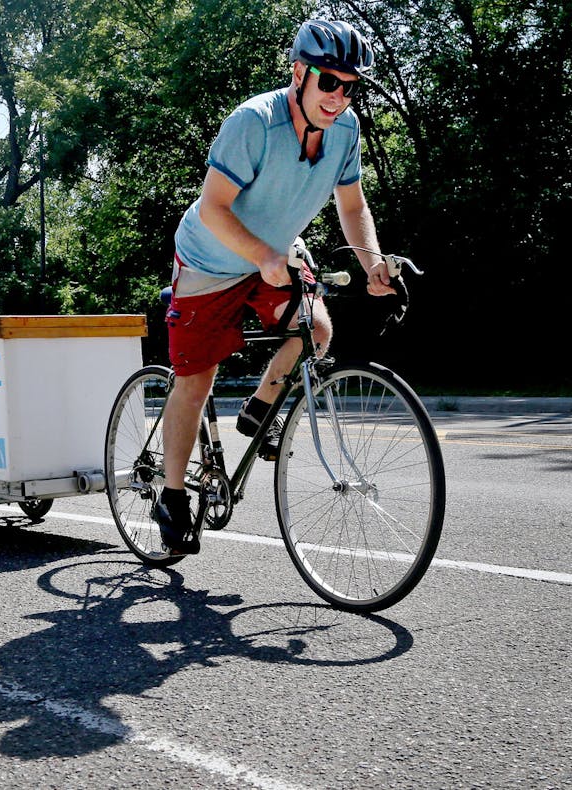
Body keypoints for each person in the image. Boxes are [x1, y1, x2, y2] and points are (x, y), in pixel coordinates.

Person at [154, 19, 398, 555]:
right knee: (195, 382)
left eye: (350, 85)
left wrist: (373, 263)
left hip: (273, 252)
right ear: (299, 73)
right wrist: (263, 255)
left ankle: (258, 410)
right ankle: (171, 497)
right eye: (328, 82)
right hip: (209, 260)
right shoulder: (254, 124)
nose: (338, 97)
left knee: (316, 327)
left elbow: (352, 205)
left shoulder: (346, 131)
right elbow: (214, 208)